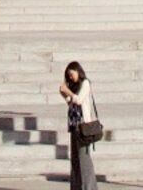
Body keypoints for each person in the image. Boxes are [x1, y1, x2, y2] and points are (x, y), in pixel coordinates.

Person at [61, 59, 103, 190]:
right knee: (75, 160)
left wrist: (67, 91)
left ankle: (89, 187)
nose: (70, 77)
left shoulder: (85, 83)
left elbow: (78, 100)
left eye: (71, 73)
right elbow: (71, 103)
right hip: (74, 126)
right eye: (68, 75)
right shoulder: (74, 86)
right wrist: (64, 94)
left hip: (84, 127)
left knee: (84, 160)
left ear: (77, 71)